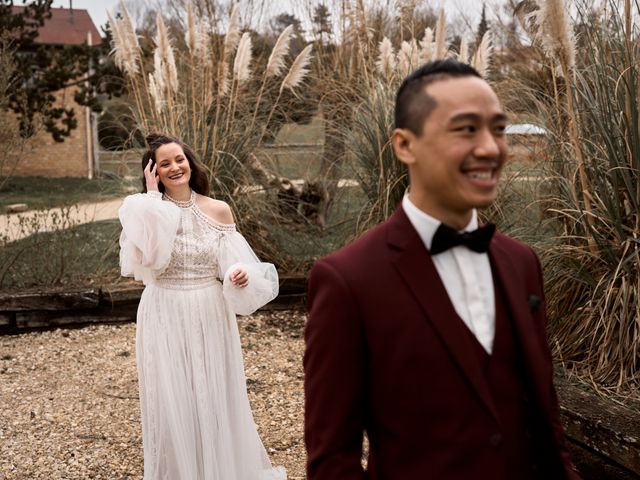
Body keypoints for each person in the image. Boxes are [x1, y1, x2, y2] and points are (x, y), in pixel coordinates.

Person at [304, 59, 580, 479]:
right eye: (466, 129)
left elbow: (545, 418)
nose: (491, 148)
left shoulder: (521, 262)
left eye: (499, 129)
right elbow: (331, 461)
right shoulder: (348, 281)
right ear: (404, 145)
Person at [118, 133, 286, 480]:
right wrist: (152, 201)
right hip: (163, 309)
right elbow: (149, 263)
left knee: (212, 395)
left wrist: (237, 275)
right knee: (172, 400)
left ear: (190, 163)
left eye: (179, 159)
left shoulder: (217, 209)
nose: (174, 167)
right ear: (154, 172)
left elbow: (235, 266)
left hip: (208, 310)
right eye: (164, 163)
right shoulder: (145, 211)